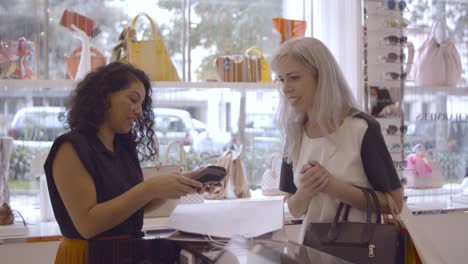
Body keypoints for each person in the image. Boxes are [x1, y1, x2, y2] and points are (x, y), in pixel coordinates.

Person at [43, 62, 204, 263]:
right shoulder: (70, 148)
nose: (138, 111)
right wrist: (150, 188)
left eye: (141, 104)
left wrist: (177, 185)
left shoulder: (123, 146)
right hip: (87, 256)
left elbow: (129, 208)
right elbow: (88, 224)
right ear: (103, 96)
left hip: (124, 255)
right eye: (133, 99)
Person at [270, 37, 403, 244]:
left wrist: (334, 187)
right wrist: (306, 190)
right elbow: (295, 209)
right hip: (312, 252)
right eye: (281, 79)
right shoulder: (295, 132)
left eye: (294, 77)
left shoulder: (362, 128)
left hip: (359, 252)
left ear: (322, 77)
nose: (286, 88)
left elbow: (395, 204)